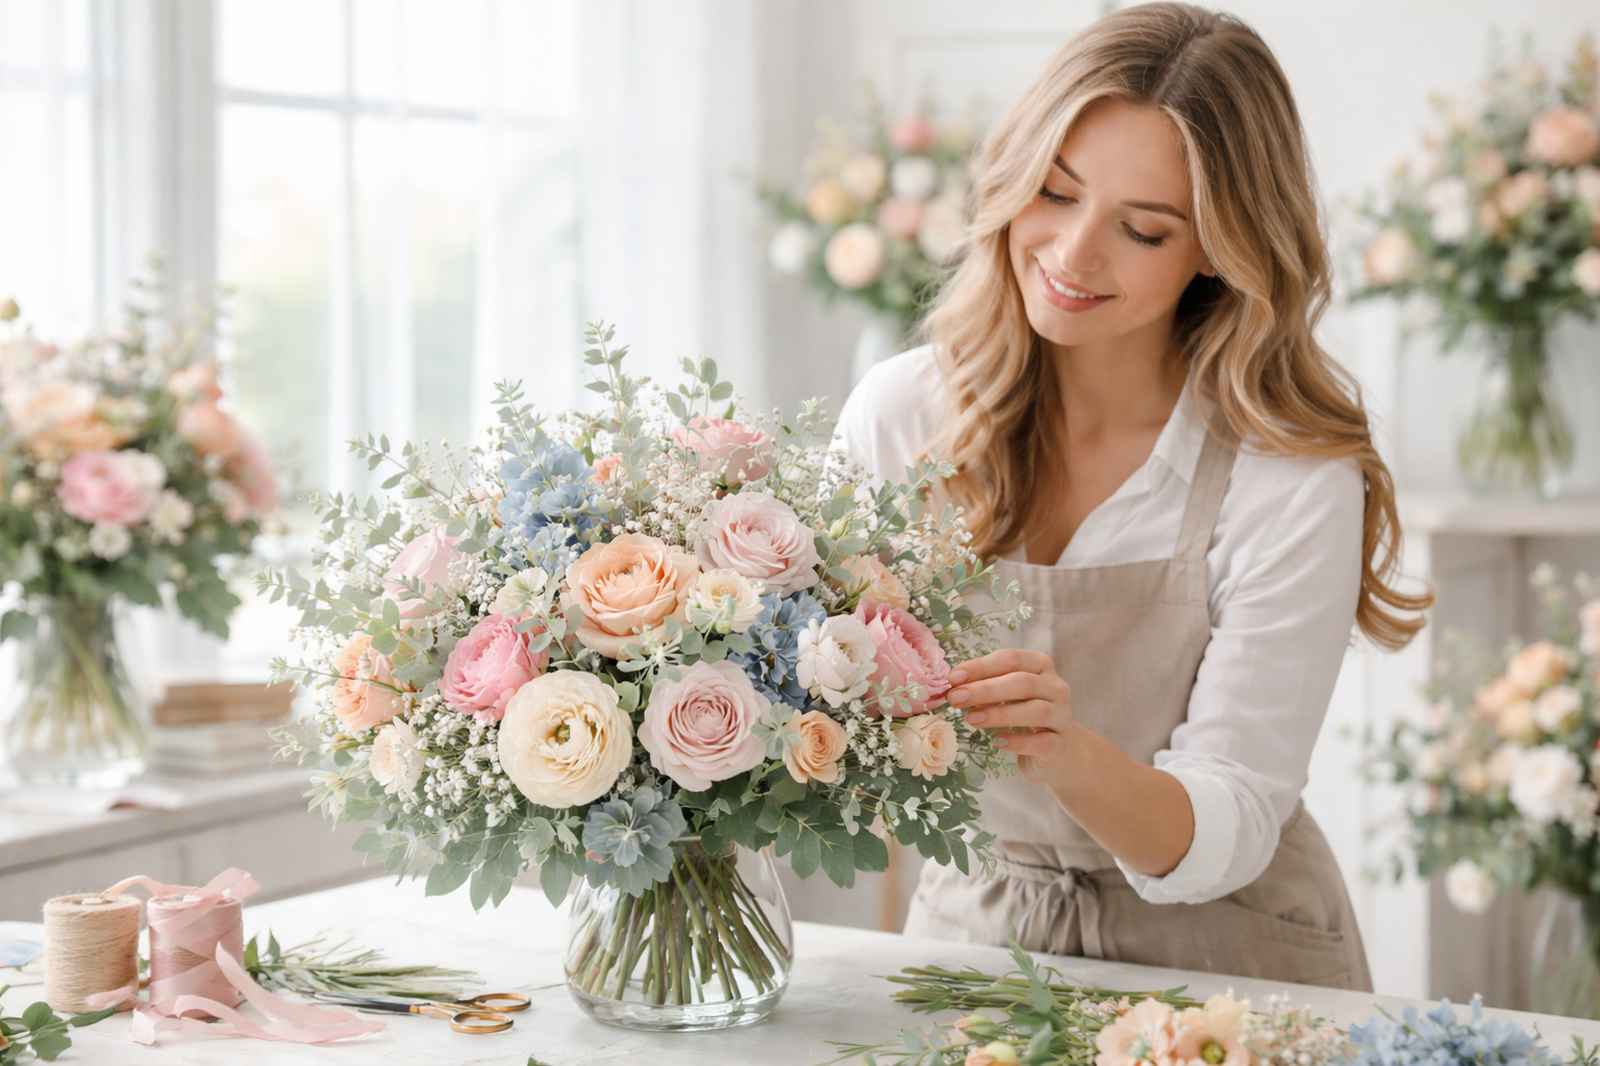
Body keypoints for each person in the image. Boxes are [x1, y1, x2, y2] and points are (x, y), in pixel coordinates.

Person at [833, 2, 1432, 991]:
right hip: (974, 931)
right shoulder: (902, 416)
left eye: (1142, 230)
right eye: (1054, 192)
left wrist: (1063, 752)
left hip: (1236, 957)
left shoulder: (1288, 474)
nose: (1073, 254)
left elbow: (1236, 815)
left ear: (1219, 248)